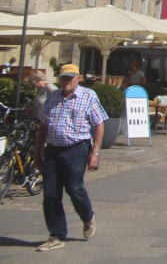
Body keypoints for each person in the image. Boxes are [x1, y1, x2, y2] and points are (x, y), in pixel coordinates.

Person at [34, 64, 107, 252]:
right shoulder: (53, 96)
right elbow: (43, 126)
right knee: (50, 194)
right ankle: (56, 235)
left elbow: (99, 125)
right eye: (63, 78)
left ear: (77, 78)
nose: (66, 81)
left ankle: (88, 216)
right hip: (52, 149)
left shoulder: (88, 96)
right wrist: (37, 153)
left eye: (70, 78)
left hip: (77, 148)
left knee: (74, 188)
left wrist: (95, 153)